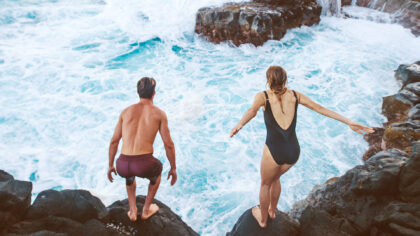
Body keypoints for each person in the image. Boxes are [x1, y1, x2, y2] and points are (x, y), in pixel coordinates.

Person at [229, 66, 374, 228]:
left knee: (265, 184)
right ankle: (272, 211)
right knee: (276, 178)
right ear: (285, 79)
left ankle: (263, 220)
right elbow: (320, 108)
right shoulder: (295, 96)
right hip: (293, 152)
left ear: (268, 80)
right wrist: (349, 121)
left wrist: (239, 124)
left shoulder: (263, 96)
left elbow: (252, 110)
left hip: (274, 150)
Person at [107, 77, 177, 221]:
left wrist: (110, 165)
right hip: (144, 164)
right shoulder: (159, 114)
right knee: (157, 171)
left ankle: (132, 210)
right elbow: (168, 144)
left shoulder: (125, 112)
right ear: (154, 93)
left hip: (123, 164)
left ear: (138, 92)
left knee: (129, 175)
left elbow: (114, 141)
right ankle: (145, 210)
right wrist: (173, 168)